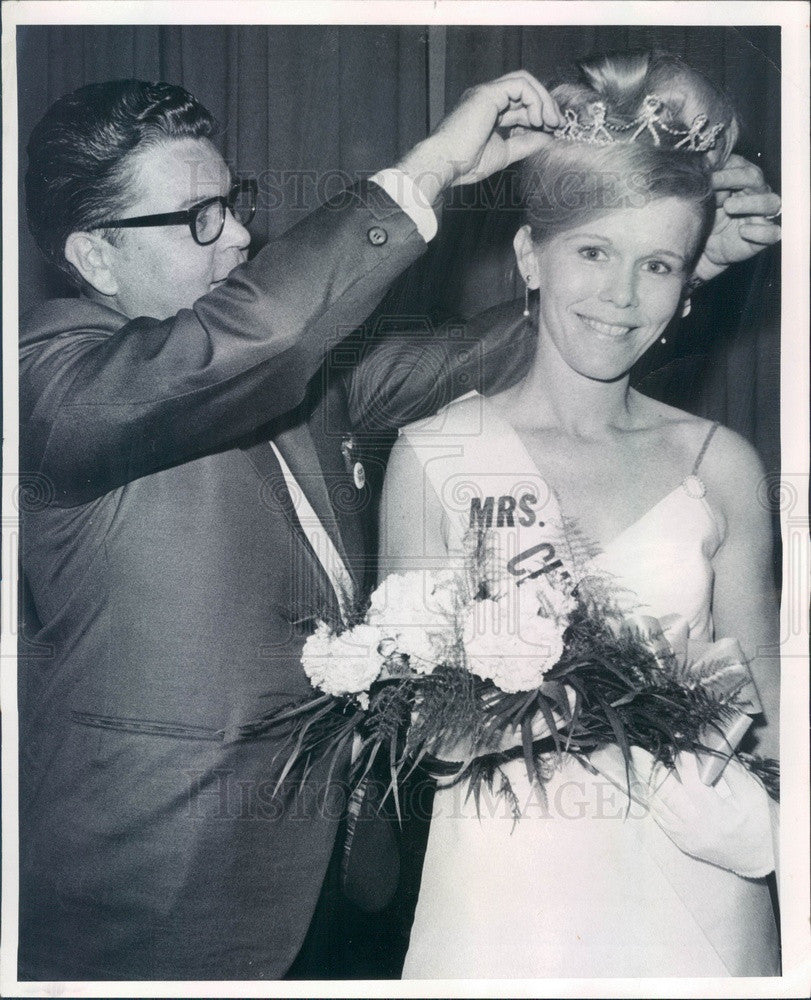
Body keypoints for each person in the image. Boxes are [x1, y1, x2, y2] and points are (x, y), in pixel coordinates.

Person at [17, 70, 568, 981]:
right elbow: (269, 331)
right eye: (196, 218)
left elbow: (457, 360)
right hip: (156, 903)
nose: (237, 232)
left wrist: (636, 276)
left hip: (336, 877)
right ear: (95, 257)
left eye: (231, 201)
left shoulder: (275, 374)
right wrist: (432, 166)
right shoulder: (56, 389)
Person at [380, 50, 782, 978]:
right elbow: (424, 742)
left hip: (696, 886)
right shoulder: (434, 456)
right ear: (530, 256)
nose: (621, 298)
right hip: (502, 891)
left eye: (657, 265)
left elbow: (771, 721)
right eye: (592, 253)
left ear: (688, 286)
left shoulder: (718, 463)